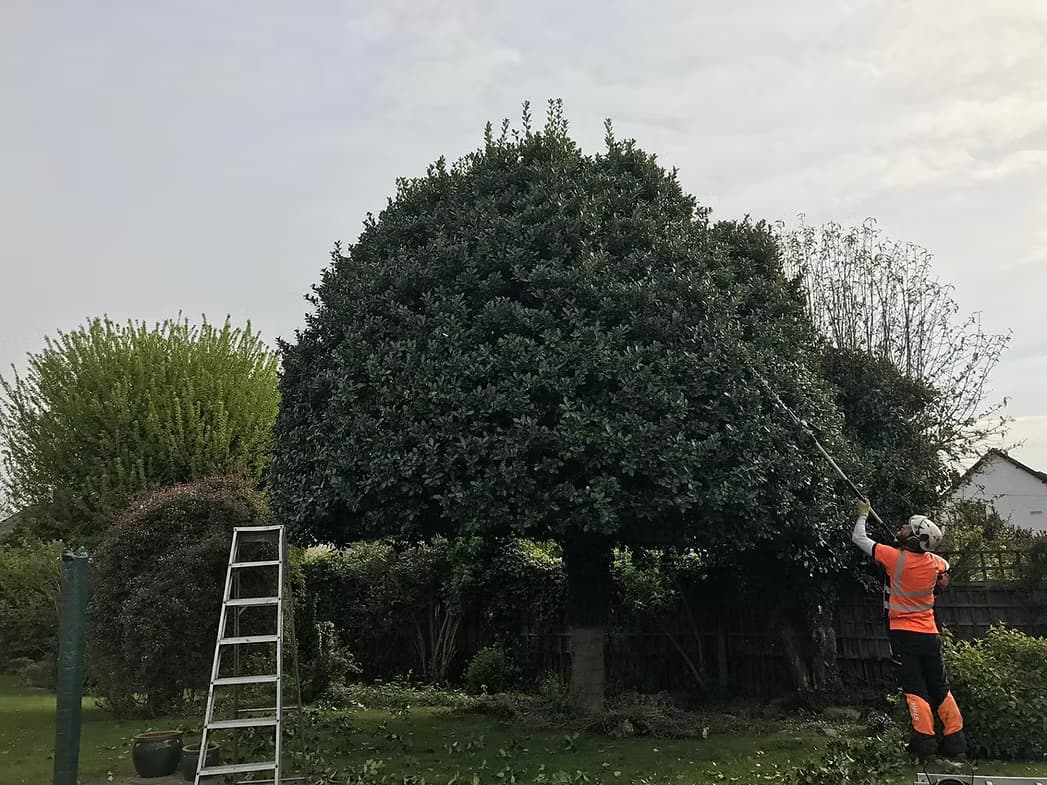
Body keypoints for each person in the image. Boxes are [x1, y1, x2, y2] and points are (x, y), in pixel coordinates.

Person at [852, 498, 966, 763]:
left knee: (915, 689)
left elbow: (859, 538)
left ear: (914, 538)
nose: (901, 528)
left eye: (906, 527)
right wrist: (940, 579)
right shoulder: (934, 562)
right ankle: (956, 744)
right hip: (930, 634)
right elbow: (945, 567)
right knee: (940, 687)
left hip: (904, 634)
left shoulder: (894, 558)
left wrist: (863, 514)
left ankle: (926, 748)